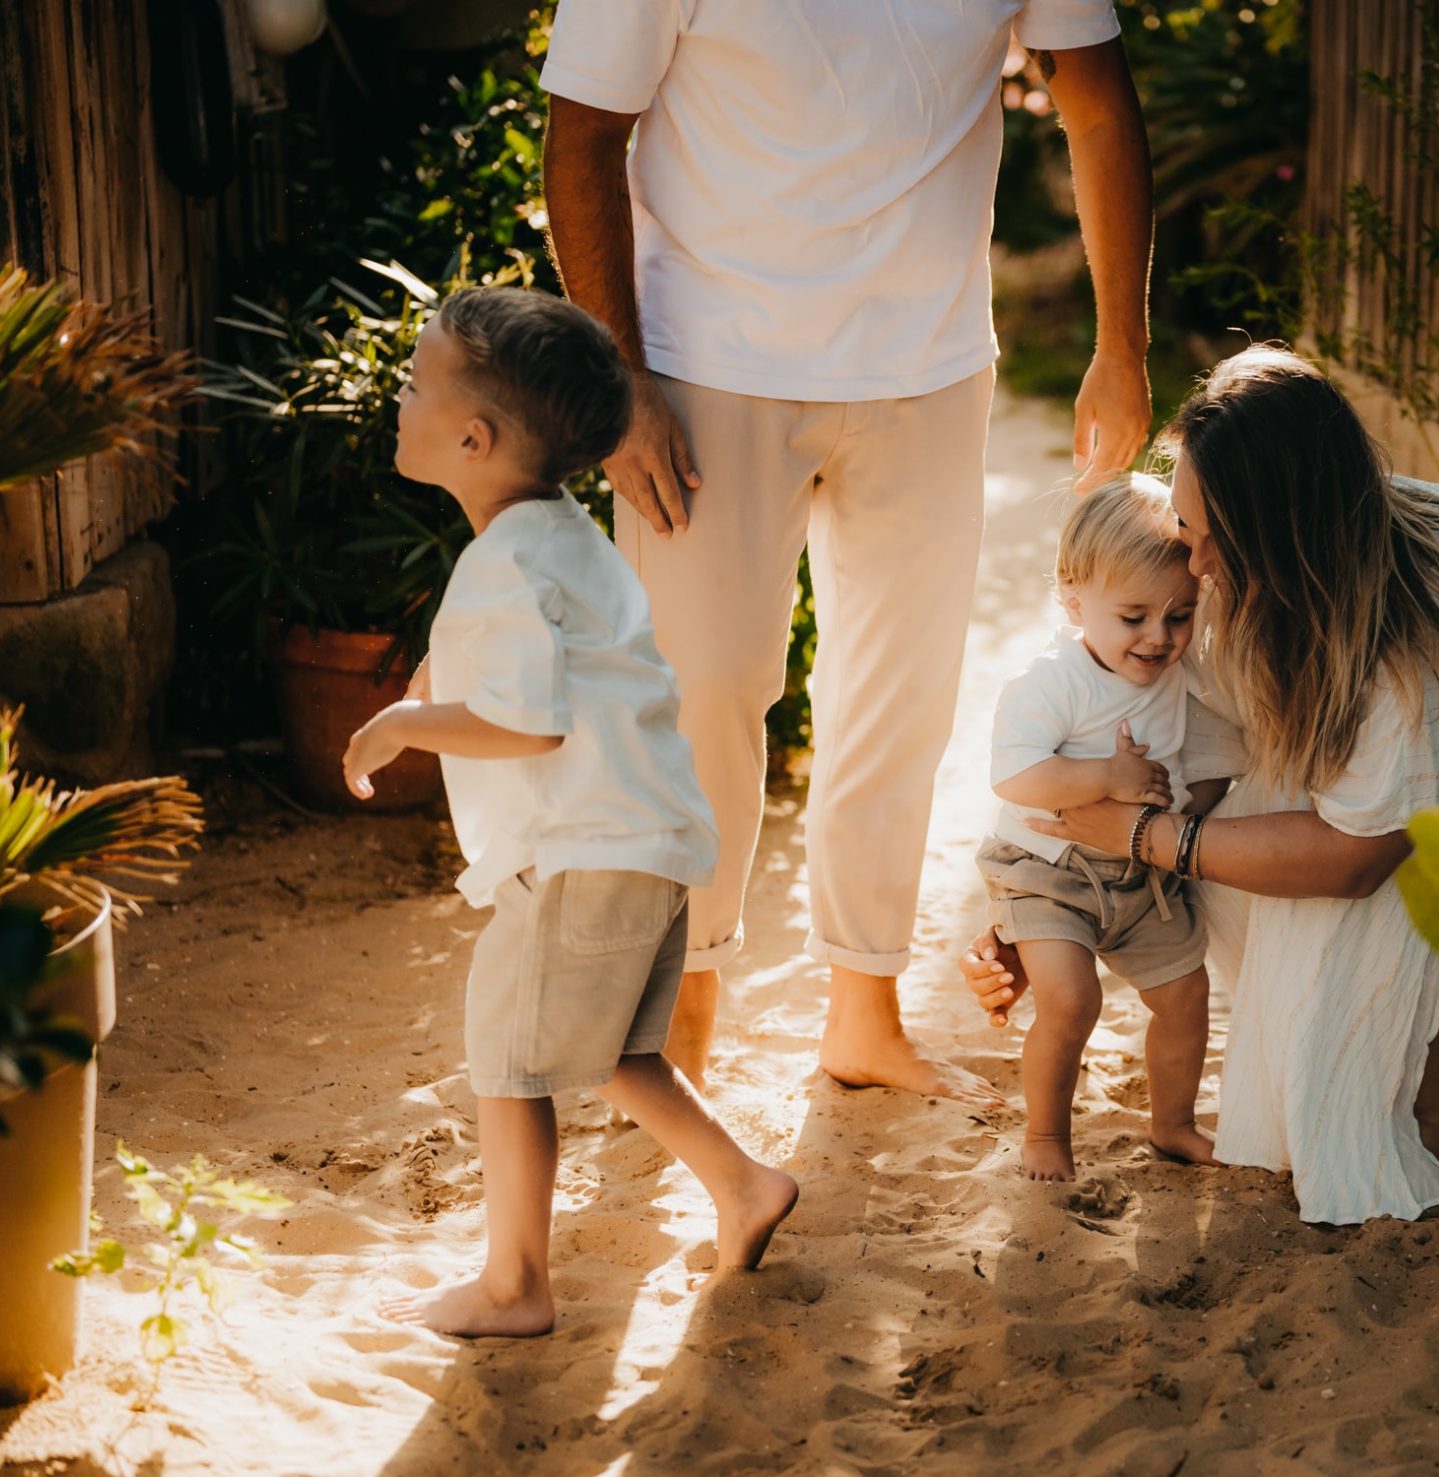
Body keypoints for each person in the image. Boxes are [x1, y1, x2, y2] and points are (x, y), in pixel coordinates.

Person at [540, 1, 1156, 1107]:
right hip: (699, 363)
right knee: (705, 690)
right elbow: (582, 130)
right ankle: (683, 1018)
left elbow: (1100, 106)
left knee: (898, 702)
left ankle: (863, 1015)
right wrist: (620, 381)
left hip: (930, 362)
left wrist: (1122, 346)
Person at [965, 347, 1439, 1225]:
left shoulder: (1403, 650)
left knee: (1347, 887)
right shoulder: (1264, 574)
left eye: (1199, 535)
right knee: (1250, 826)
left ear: (1268, 526)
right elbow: (1179, 757)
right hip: (1429, 768)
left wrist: (1144, 839)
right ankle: (1424, 1058)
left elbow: (1357, 859)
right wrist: (1039, 910)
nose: (1188, 565)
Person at [344, 288, 798, 1336]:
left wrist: (406, 719)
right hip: (651, 839)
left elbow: (531, 722)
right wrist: (436, 674)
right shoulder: (563, 538)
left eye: (413, 383)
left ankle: (514, 1284)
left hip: (586, 850)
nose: (399, 397)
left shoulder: (505, 559)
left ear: (473, 436)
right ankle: (742, 1183)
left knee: (508, 1060)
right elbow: (555, 667)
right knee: (612, 1056)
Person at [978, 478, 1223, 1181]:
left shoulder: (1176, 673)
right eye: (1134, 615)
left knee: (1185, 994)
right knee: (1071, 998)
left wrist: (1191, 804)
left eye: (1179, 616)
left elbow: (1203, 760)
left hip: (1142, 875)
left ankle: (1173, 1121)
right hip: (1047, 872)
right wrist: (1107, 781)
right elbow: (1016, 777)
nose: (1158, 636)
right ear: (1074, 599)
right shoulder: (1051, 681)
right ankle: (1047, 1134)